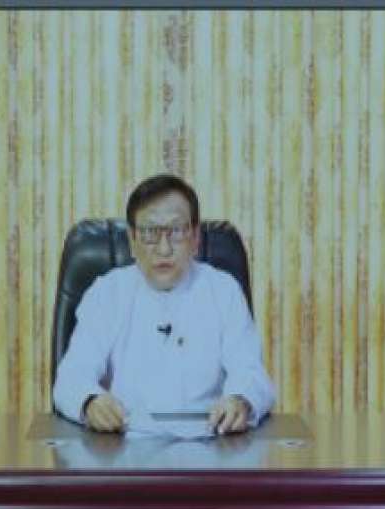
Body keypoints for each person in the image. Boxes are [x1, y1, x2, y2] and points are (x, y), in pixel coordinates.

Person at [52, 174, 275, 435]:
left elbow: (250, 372)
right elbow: (72, 377)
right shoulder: (107, 293)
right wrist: (90, 401)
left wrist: (241, 400)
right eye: (149, 233)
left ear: (195, 238)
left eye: (176, 231)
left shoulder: (223, 291)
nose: (164, 248)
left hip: (209, 442)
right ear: (132, 241)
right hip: (124, 445)